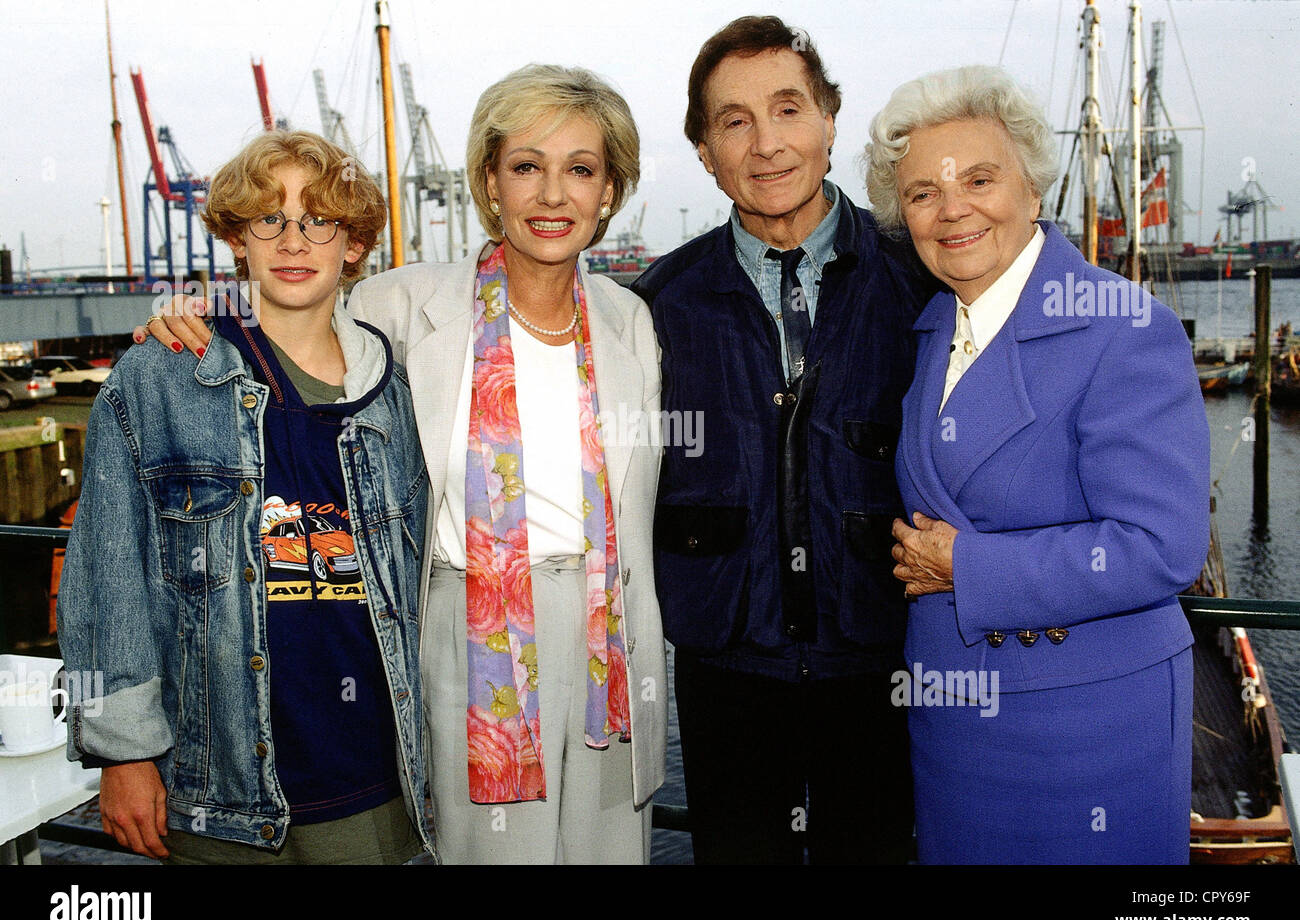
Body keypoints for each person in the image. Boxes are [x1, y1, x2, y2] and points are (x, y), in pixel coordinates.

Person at [140, 65, 666, 865]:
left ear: (609, 190)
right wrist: (191, 317)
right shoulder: (404, 303)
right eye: (526, 166)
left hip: (606, 636)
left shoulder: (630, 322)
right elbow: (293, 318)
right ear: (491, 183)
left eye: (580, 169)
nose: (553, 194)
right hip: (471, 630)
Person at [866, 65, 1209, 864]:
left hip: (1085, 734)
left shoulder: (1121, 327)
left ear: (1032, 188)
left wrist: (973, 565)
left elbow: (1162, 544)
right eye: (922, 192)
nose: (952, 209)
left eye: (979, 178)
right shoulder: (931, 333)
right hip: (953, 723)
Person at [58, 130, 432, 864]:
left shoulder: (399, 396)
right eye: (269, 218)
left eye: (319, 218)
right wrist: (122, 752)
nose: (293, 240)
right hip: (217, 794)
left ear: (354, 243)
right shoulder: (159, 378)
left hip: (376, 782)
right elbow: (106, 576)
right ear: (236, 236)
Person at [632, 16, 930, 864]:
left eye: (788, 109)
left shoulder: (919, 282)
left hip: (884, 663)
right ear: (702, 150)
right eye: (734, 121)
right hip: (728, 674)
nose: (766, 144)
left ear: (830, 120)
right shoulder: (659, 306)